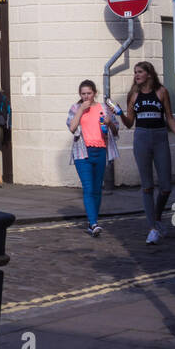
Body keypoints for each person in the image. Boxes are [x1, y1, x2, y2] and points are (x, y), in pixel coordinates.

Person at [119, 61, 175, 244]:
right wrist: (119, 114)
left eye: (139, 72)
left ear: (149, 73)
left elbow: (170, 118)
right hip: (141, 139)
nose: (136, 75)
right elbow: (129, 123)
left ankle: (156, 219)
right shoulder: (133, 95)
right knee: (147, 186)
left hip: (160, 138)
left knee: (166, 187)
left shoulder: (162, 92)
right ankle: (152, 229)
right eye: (135, 72)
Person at [67, 79, 119, 236]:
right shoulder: (76, 107)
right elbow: (72, 127)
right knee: (88, 188)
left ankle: (93, 221)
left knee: (97, 189)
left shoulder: (103, 108)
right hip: (83, 153)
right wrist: (81, 110)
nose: (86, 97)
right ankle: (93, 223)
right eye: (83, 94)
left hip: (100, 151)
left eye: (89, 93)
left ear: (94, 93)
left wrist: (110, 123)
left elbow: (116, 131)